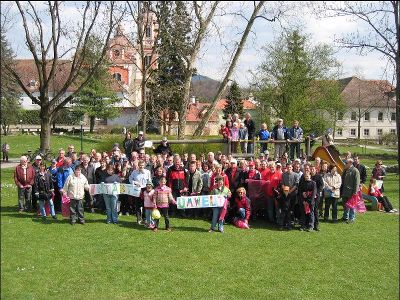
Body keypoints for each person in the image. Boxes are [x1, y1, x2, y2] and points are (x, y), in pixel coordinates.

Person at [129, 160, 152, 225]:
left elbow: (149, 180)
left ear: (144, 166)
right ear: (138, 165)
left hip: (145, 189)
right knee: (137, 205)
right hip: (137, 189)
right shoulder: (134, 172)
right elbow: (130, 179)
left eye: (142, 165)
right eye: (140, 165)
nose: (141, 166)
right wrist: (135, 182)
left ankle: (144, 219)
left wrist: (149, 188)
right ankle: (138, 219)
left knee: (145, 204)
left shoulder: (147, 172)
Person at [341, 158, 360, 223]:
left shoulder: (355, 171)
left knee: (352, 205)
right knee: (345, 204)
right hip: (344, 191)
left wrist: (355, 192)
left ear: (350, 163)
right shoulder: (345, 170)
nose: (345, 164)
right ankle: (345, 216)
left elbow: (357, 182)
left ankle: (351, 218)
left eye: (346, 163)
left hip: (351, 192)